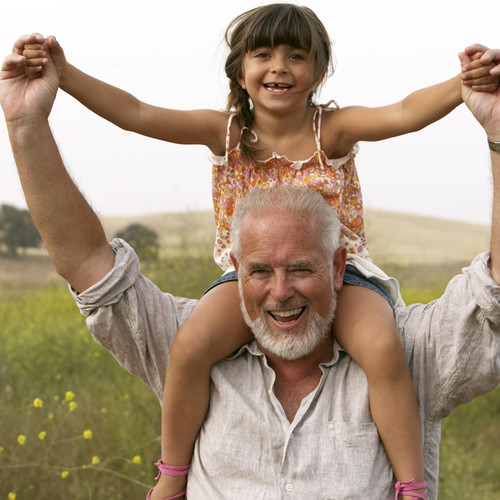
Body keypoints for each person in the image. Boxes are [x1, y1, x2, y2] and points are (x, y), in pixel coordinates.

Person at [21, 7, 498, 499]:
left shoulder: (329, 129)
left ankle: (410, 484)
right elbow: (137, 112)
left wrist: (463, 84)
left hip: (342, 275)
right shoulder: (227, 134)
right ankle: (173, 473)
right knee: (188, 346)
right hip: (249, 278)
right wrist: (65, 76)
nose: (279, 67)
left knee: (381, 348)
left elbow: (403, 112)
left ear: (318, 69)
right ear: (240, 70)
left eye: (297, 55)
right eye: (263, 54)